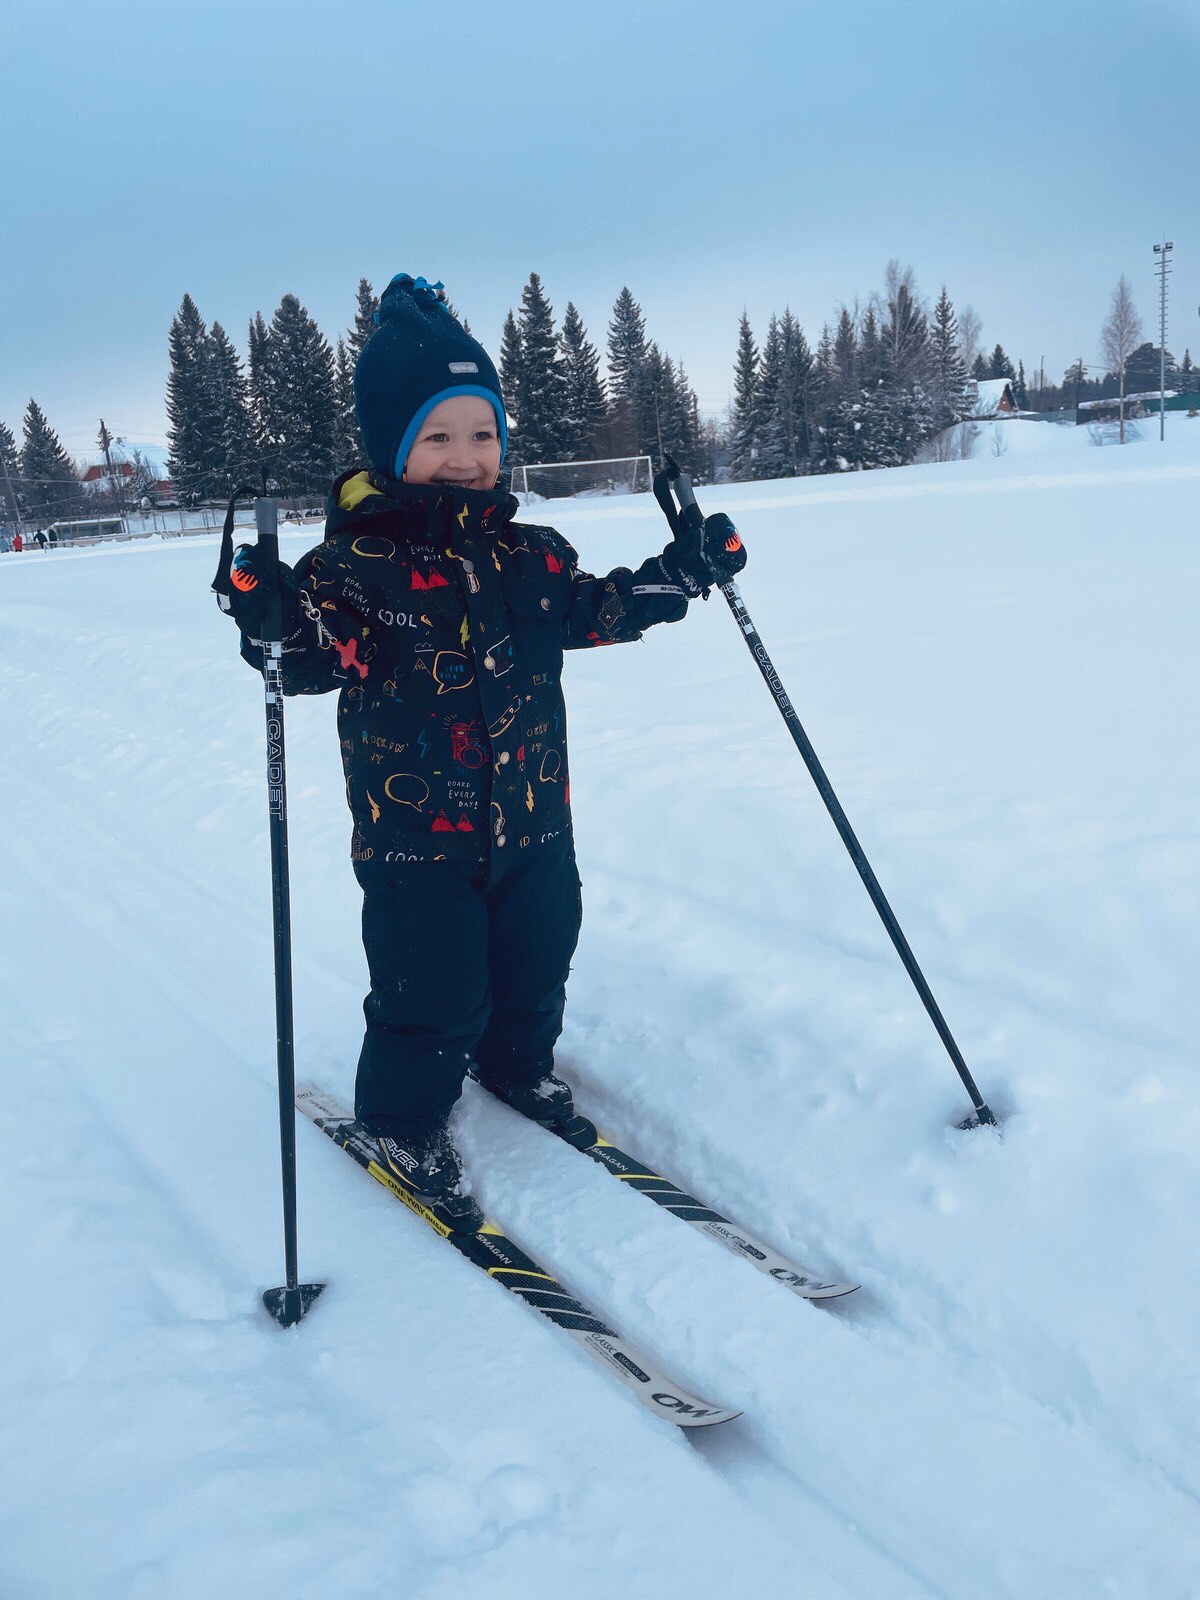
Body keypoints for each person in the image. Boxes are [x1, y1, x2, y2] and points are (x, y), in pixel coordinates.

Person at [215, 272, 746, 1203]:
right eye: (438, 436)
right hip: (415, 838)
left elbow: (597, 611)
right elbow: (306, 657)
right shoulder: (352, 566)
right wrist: (270, 615)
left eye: (483, 433)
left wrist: (678, 575)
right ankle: (403, 1122)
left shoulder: (531, 554)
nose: (467, 457)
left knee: (539, 959)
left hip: (536, 820)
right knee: (434, 991)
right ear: (391, 446)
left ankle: (512, 1063)